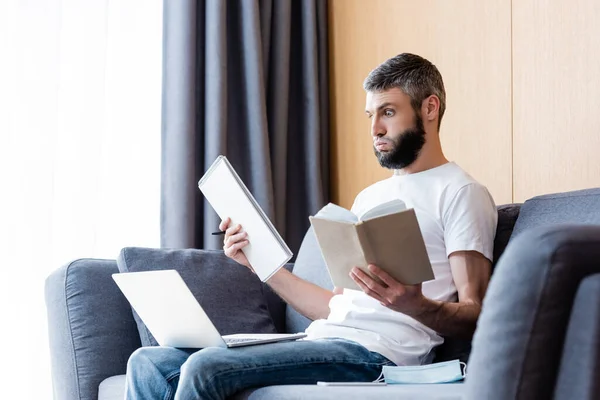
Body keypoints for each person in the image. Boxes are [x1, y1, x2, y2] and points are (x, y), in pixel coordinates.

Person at [125, 53, 498, 400]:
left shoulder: (461, 192)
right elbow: (336, 306)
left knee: (206, 368)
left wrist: (417, 306)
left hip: (381, 356)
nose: (375, 129)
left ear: (429, 108)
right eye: (370, 115)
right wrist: (261, 265)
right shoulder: (370, 197)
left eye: (388, 112)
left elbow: (476, 312)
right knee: (149, 362)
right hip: (324, 339)